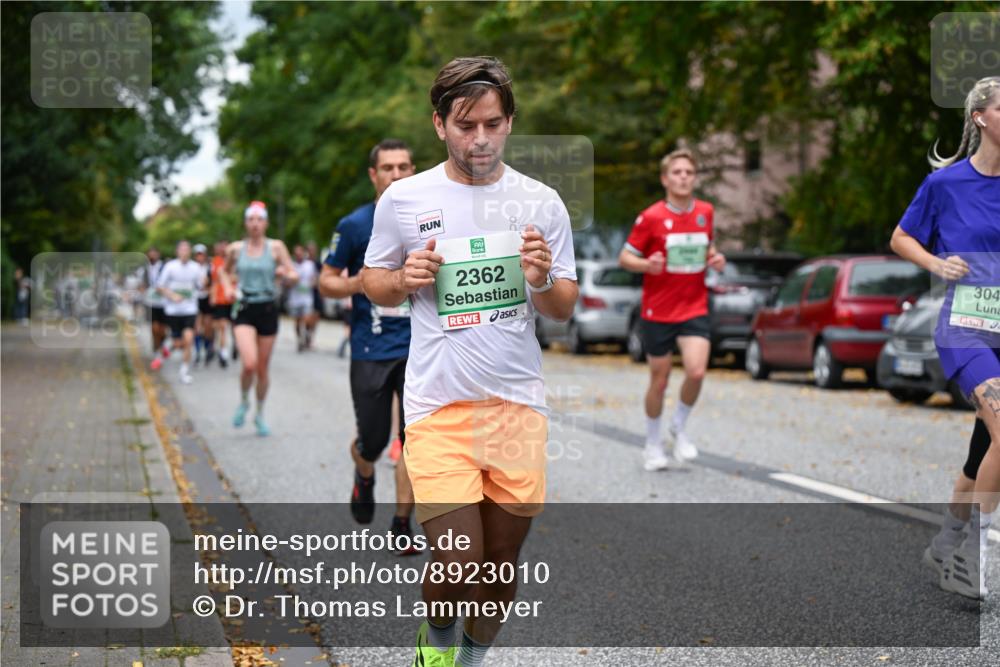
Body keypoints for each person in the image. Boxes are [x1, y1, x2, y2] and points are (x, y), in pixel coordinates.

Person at [362, 57, 578, 667]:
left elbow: (563, 306)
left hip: (517, 407)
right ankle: (434, 647)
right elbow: (373, 281)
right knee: (457, 560)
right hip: (439, 406)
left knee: (500, 562)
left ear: (509, 122)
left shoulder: (541, 202)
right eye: (465, 126)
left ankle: (473, 658)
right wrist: (403, 278)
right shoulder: (405, 198)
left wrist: (539, 278)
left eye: (492, 123)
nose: (479, 139)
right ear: (439, 125)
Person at [891, 76, 1000, 600]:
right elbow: (900, 236)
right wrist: (936, 262)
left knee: (984, 455)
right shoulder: (947, 184)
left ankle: (946, 541)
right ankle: (974, 556)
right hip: (964, 328)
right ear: (981, 117)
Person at [319, 138, 419, 551]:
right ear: (373, 175)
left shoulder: (431, 218)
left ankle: (401, 525)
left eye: (404, 167)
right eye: (388, 168)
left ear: (413, 171)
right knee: (374, 442)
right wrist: (362, 282)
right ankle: (364, 471)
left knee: (417, 439)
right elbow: (326, 281)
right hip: (370, 347)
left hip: (421, 348)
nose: (397, 174)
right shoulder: (355, 225)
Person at [619, 148, 726, 471]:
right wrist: (647, 265)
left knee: (696, 371)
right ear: (666, 179)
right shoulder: (650, 217)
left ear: (694, 178)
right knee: (660, 380)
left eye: (688, 173)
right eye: (677, 172)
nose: (683, 177)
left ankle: (678, 426)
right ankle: (652, 444)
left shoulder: (705, 211)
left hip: (694, 306)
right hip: (658, 311)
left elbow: (708, 248)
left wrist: (715, 258)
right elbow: (625, 258)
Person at [223, 201, 298, 436]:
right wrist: (228, 288)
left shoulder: (276, 247)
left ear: (265, 223)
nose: (255, 224)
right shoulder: (235, 249)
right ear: (246, 223)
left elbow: (294, 274)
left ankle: (259, 413)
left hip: (267, 309)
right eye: (251, 220)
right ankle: (244, 400)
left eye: (259, 220)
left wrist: (285, 274)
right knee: (249, 364)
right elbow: (223, 272)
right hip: (244, 308)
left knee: (263, 370)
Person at [156, 240, 204, 384]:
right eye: (182, 249)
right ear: (177, 251)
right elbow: (160, 286)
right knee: (178, 343)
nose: (184, 252)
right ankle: (166, 348)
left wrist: (205, 280)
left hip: (190, 309)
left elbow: (201, 285)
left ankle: (184, 372)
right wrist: (172, 295)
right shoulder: (170, 267)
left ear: (190, 252)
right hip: (173, 311)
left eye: (187, 249)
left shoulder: (196, 267)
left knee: (188, 340)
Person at [209, 240, 235, 368]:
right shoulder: (216, 261)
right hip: (221, 299)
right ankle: (223, 352)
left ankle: (236, 345)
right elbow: (214, 281)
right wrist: (213, 295)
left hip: (234, 298)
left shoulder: (236, 261)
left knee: (235, 327)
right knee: (222, 326)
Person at [144, 247, 170, 366]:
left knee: (162, 329)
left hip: (164, 303)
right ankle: (157, 348)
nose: (152, 256)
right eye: (150, 254)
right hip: (151, 303)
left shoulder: (165, 267)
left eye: (154, 254)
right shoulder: (145, 269)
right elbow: (142, 285)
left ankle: (162, 345)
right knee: (154, 328)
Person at [289, 244, 318, 352]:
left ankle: (306, 334)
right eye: (296, 254)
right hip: (295, 298)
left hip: (307, 298)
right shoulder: (291, 266)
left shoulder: (309, 265)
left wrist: (313, 283)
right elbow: (286, 282)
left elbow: (315, 278)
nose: (298, 255)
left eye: (300, 253)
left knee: (307, 319)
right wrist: (291, 281)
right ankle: (299, 339)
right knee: (297, 322)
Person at [193, 243, 213, 365]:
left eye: (202, 254)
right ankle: (197, 351)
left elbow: (213, 283)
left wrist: (208, 287)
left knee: (208, 327)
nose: (200, 257)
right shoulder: (192, 267)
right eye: (198, 254)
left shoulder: (210, 267)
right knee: (197, 326)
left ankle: (207, 348)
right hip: (196, 299)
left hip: (207, 299)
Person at [306, 240, 323, 350]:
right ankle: (306, 334)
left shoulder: (318, 263)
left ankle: (311, 337)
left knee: (316, 316)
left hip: (316, 293)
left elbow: (322, 277)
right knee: (307, 316)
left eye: (313, 250)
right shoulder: (304, 262)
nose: (312, 252)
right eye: (310, 250)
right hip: (306, 293)